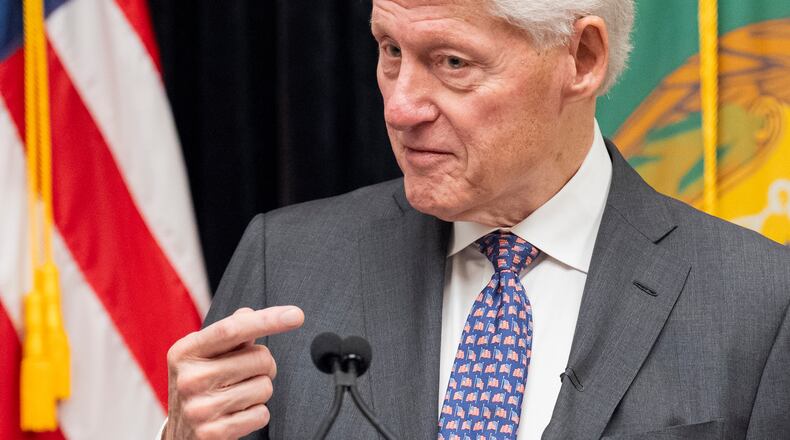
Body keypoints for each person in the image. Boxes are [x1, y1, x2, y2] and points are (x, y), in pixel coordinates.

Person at [161, 1, 790, 439]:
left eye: (452, 62)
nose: (401, 106)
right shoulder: (287, 262)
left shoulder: (758, 301)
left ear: (582, 57)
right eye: (389, 51)